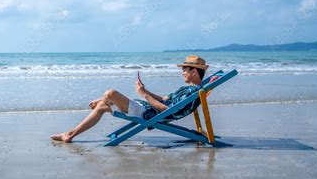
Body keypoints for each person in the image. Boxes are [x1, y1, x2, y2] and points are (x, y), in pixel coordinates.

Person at [51, 55, 209, 143]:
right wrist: (145, 90)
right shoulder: (189, 90)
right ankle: (70, 134)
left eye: (185, 70)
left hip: (147, 114)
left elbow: (167, 111)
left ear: (194, 71)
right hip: (146, 108)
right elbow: (165, 98)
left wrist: (144, 95)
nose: (182, 72)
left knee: (110, 93)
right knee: (102, 105)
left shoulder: (191, 92)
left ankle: (104, 101)